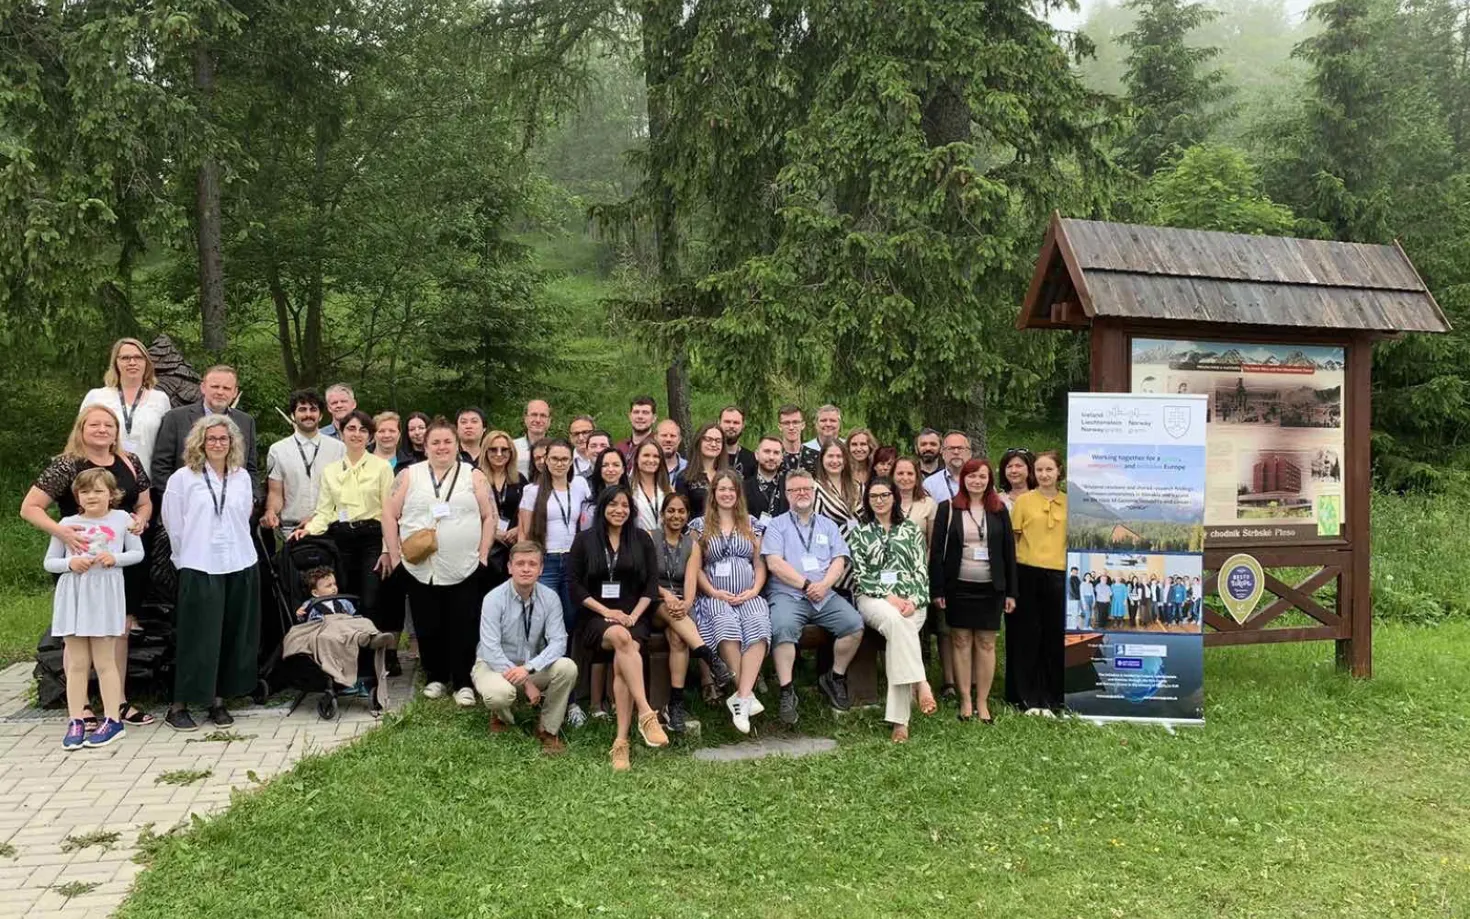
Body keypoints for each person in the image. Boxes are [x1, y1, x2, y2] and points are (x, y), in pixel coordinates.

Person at [22, 404, 155, 727]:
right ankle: (80, 706)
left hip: (119, 559)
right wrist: (61, 531)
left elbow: (144, 502)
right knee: (76, 633)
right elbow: (30, 507)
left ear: (116, 431)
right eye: (94, 424)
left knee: (119, 628)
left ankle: (117, 702)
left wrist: (140, 521)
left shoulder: (129, 461)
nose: (101, 430)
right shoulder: (67, 464)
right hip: (78, 562)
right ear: (81, 429)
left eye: (108, 425)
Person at [383, 417, 497, 707]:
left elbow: (489, 516)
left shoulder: (473, 475)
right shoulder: (410, 474)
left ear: (456, 444)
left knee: (463, 624)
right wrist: (395, 556)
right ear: (426, 445)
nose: (441, 447)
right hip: (421, 567)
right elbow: (388, 514)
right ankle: (435, 677)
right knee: (427, 623)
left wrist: (483, 554)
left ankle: (462, 681)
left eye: (447, 441)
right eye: (436, 442)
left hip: (465, 565)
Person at [161, 414, 259, 731]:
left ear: (233, 443)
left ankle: (218, 700)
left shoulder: (241, 476)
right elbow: (173, 524)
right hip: (199, 563)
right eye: (212, 439)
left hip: (239, 562)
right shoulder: (183, 478)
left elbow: (243, 517)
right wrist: (183, 558)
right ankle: (180, 703)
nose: (218, 444)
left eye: (224, 439)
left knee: (231, 633)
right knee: (197, 635)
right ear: (200, 442)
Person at [568, 485, 670, 769]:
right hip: (595, 616)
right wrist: (607, 612)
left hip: (634, 616)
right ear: (602, 508)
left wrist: (634, 616)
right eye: (613, 504)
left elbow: (651, 585)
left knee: (625, 656)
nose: (619, 510)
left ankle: (621, 742)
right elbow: (574, 586)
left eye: (625, 505)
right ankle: (647, 714)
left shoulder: (641, 539)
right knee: (622, 640)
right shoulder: (585, 540)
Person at [45, 468, 144, 749]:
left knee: (105, 661)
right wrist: (69, 564)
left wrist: (115, 557)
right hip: (74, 596)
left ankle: (113, 721)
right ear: (77, 495)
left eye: (99, 491)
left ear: (112, 495)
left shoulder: (123, 519)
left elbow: (137, 553)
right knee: (76, 663)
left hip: (105, 596)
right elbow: (50, 561)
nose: (92, 496)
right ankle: (76, 720)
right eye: (85, 491)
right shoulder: (66, 522)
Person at [761, 468, 865, 724]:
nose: (801, 493)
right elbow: (774, 563)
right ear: (787, 494)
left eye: (806, 488)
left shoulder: (828, 525)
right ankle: (787, 691)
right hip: (789, 594)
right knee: (782, 627)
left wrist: (825, 584)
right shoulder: (776, 525)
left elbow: (839, 560)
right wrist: (807, 584)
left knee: (854, 625)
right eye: (795, 489)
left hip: (824, 593)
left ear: (814, 491)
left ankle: (834, 677)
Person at [293, 411, 395, 642]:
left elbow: (389, 512)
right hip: (342, 539)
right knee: (345, 598)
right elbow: (325, 510)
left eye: (362, 430)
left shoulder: (382, 468)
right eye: (351, 429)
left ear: (370, 437)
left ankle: (373, 662)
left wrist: (387, 549)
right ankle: (350, 656)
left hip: (372, 538)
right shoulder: (330, 471)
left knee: (370, 599)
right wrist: (308, 529)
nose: (356, 434)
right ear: (341, 433)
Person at [930, 458, 1017, 724]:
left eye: (982, 476)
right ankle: (966, 700)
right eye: (971, 476)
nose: (976, 481)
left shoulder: (999, 509)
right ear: (962, 479)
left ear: (989, 480)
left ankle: (983, 701)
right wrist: (938, 589)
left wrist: (1011, 592)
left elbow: (1009, 553)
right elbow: (936, 553)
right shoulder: (948, 509)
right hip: (958, 587)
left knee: (986, 643)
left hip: (991, 588)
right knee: (960, 641)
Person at [849, 477, 935, 742]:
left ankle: (901, 722)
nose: (879, 500)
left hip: (911, 601)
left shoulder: (910, 530)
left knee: (900, 631)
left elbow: (922, 571)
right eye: (873, 496)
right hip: (874, 599)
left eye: (884, 495)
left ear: (894, 497)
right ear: (867, 501)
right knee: (898, 623)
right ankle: (921, 682)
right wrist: (889, 597)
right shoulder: (860, 532)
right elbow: (859, 574)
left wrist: (914, 600)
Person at [472, 542, 577, 755]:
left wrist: (529, 669)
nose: (526, 568)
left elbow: (559, 642)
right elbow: (491, 649)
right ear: (510, 567)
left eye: (532, 564)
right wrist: (526, 682)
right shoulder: (493, 599)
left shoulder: (550, 598)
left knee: (567, 667)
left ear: (541, 569)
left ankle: (548, 729)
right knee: (498, 694)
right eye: (520, 563)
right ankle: (502, 717)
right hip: (494, 667)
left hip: (529, 665)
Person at [688, 472, 771, 733]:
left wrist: (754, 589)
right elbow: (696, 567)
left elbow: (758, 563)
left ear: (738, 494)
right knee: (725, 625)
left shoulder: (751, 523)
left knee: (759, 623)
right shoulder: (699, 526)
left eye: (731, 490)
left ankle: (742, 697)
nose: (726, 494)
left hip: (748, 594)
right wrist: (713, 591)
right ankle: (745, 695)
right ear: (713, 493)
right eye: (721, 489)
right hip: (715, 595)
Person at [651, 494, 734, 732]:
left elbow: (690, 585)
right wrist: (667, 596)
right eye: (671, 511)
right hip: (654, 601)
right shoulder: (650, 538)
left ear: (687, 515)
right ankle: (712, 660)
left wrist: (686, 603)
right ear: (663, 513)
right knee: (670, 610)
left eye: (681, 511)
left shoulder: (692, 545)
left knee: (678, 638)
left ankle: (675, 704)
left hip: (680, 608)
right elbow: (644, 578)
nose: (676, 516)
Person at [1009, 450, 1068, 715]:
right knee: (1027, 636)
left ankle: (1054, 695)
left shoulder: (1070, 503)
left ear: (1059, 473)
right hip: (1028, 572)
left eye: (1049, 470)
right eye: (1040, 470)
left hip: (1059, 574)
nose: (1044, 475)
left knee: (1054, 636)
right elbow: (1014, 540)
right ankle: (1026, 695)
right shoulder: (1024, 502)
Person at [519, 439, 593, 633]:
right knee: (546, 617)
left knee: (571, 616)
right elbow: (525, 532)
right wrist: (525, 563)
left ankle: (568, 661)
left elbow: (587, 519)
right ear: (546, 461)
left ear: (570, 462)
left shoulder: (579, 485)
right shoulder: (532, 491)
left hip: (573, 559)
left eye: (564, 459)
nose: (559, 463)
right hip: (546, 560)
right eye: (555, 459)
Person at [151, 364, 258, 495]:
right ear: (203, 387)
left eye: (226, 388)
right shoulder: (175, 418)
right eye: (215, 386)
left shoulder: (246, 422)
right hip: (186, 505)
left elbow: (251, 468)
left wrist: (251, 498)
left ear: (235, 392)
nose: (220, 392)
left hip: (231, 506)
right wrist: (178, 497)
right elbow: (160, 467)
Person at [81, 337, 172, 473]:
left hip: (148, 478)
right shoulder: (97, 396)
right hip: (103, 480)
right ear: (116, 362)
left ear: (146, 363)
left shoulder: (160, 399)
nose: (132, 362)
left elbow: (166, 444)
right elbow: (80, 438)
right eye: (125, 358)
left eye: (138, 357)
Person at [262, 390, 345, 538]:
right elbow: (275, 493)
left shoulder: (339, 448)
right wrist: (271, 512)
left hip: (330, 528)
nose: (308, 414)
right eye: (302, 409)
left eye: (313, 409)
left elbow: (344, 492)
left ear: (320, 415)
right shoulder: (278, 450)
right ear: (293, 415)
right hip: (291, 530)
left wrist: (317, 518)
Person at [478, 430, 527, 580]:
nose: (499, 454)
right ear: (485, 451)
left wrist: (518, 529)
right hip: (483, 548)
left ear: (511, 452)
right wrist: (491, 531)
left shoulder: (519, 479)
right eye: (493, 449)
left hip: (512, 546)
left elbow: (528, 510)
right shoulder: (476, 477)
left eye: (504, 449)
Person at [676, 422, 727, 519]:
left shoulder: (728, 477)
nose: (713, 444)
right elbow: (680, 514)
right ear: (699, 441)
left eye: (718, 441)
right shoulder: (685, 477)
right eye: (708, 439)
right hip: (695, 532)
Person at [813, 438, 861, 537]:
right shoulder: (815, 489)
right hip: (832, 548)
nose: (835, 461)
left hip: (861, 547)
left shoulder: (859, 487)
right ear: (822, 459)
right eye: (830, 456)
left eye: (839, 456)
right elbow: (814, 526)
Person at [629, 440, 673, 533]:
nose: (651, 460)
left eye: (656, 456)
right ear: (637, 459)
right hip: (637, 542)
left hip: (663, 543)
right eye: (646, 455)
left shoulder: (668, 489)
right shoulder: (628, 488)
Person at [892, 457, 937, 543]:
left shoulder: (929, 504)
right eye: (900, 473)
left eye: (910, 474)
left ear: (917, 478)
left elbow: (932, 545)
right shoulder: (883, 502)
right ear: (892, 476)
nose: (905, 478)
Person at [743, 436, 788, 521]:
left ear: (782, 457)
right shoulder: (742, 488)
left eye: (776, 453)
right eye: (767, 451)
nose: (771, 457)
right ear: (756, 455)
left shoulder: (790, 487)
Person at [923, 430, 971, 501]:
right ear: (942, 453)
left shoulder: (981, 481)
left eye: (960, 448)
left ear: (969, 453)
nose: (956, 452)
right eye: (951, 448)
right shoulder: (930, 484)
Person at [514, 400, 553, 479]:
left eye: (543, 415)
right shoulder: (512, 447)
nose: (538, 420)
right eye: (534, 415)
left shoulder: (557, 449)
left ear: (549, 421)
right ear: (525, 418)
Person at [718, 405, 757, 478]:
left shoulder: (751, 459)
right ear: (719, 423)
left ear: (743, 426)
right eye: (727, 422)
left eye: (736, 423)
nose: (731, 426)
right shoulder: (710, 455)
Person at [776, 404, 817, 473]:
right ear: (780, 426)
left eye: (795, 422)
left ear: (803, 425)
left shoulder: (816, 457)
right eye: (786, 423)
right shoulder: (772, 456)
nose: (791, 427)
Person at [614, 395, 658, 461]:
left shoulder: (659, 446)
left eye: (645, 413)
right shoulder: (619, 448)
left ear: (654, 418)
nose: (640, 416)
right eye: (636, 412)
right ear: (630, 416)